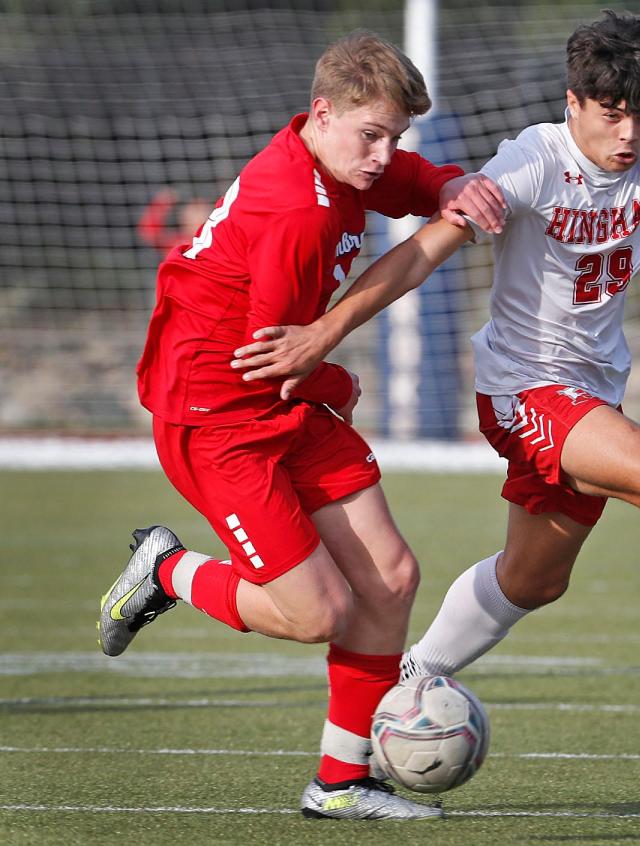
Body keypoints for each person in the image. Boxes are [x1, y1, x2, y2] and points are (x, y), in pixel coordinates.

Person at [230, 12, 640, 740]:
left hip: (591, 391)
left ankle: (413, 676)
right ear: (573, 101)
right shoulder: (530, 162)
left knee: (533, 580)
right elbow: (422, 252)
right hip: (522, 388)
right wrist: (323, 333)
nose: (629, 137)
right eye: (612, 115)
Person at [97, 30, 505, 821]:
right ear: (322, 114)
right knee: (318, 613)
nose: (385, 155)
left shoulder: (336, 161)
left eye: (395, 136)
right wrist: (339, 378)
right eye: (372, 135)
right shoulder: (298, 211)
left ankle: (342, 784)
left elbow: (414, 182)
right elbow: (279, 355)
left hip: (275, 395)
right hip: (217, 414)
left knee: (390, 579)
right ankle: (168, 570)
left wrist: (456, 183)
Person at [137, 189, 211, 255]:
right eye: (194, 212)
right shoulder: (175, 243)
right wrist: (162, 203)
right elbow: (148, 233)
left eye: (203, 211)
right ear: (182, 217)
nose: (198, 217)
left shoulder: (215, 242)